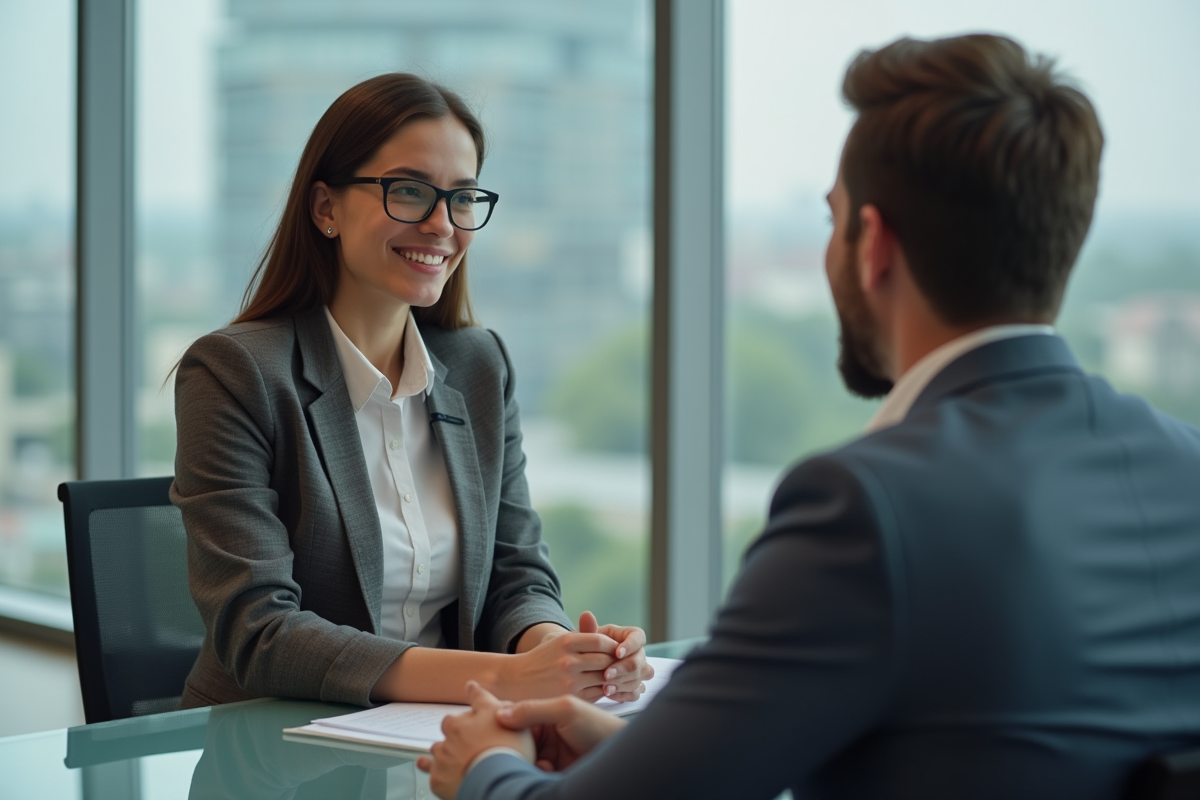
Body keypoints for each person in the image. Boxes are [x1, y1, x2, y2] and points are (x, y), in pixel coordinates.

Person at [420, 33, 1200, 800]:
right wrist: (639, 756)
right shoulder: (1184, 463)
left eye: (832, 220)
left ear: (872, 244)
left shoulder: (868, 507)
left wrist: (488, 768)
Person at [171, 73, 652, 711]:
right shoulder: (236, 372)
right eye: (409, 191)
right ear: (326, 208)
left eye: (462, 199)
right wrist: (502, 680)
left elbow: (516, 574)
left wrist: (559, 651)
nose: (440, 224)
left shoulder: (479, 365)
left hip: (438, 744)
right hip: (274, 754)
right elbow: (259, 631)